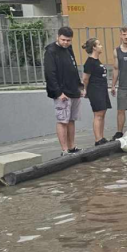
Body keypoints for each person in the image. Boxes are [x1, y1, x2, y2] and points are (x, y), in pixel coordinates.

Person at [44, 27, 84, 156]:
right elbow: (50, 73)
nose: (66, 43)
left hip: (73, 90)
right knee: (62, 121)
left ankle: (72, 146)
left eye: (68, 40)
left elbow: (73, 66)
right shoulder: (51, 51)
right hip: (62, 92)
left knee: (71, 120)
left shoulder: (68, 49)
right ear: (58, 37)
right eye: (63, 40)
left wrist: (79, 86)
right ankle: (64, 150)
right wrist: (58, 92)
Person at [81, 38, 111, 146]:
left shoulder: (97, 61)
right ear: (94, 47)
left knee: (102, 113)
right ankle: (98, 139)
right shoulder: (90, 62)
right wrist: (84, 89)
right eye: (99, 44)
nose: (101, 46)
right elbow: (85, 78)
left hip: (102, 89)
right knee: (98, 114)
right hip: (95, 90)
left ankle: (101, 137)